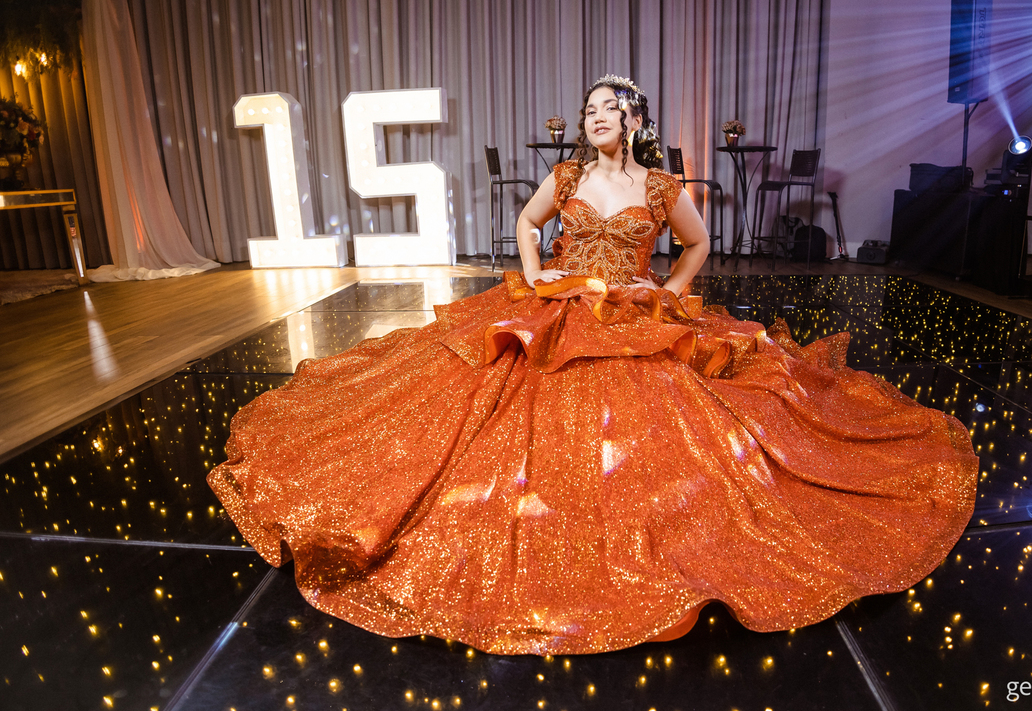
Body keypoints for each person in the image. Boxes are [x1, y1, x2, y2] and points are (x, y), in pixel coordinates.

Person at [208, 75, 979, 656]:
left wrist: (669, 291)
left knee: (683, 430)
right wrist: (535, 271)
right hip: (560, 303)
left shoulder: (661, 185)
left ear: (634, 120)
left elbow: (699, 244)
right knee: (486, 409)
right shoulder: (569, 178)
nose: (595, 118)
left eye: (607, 109)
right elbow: (526, 221)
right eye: (589, 111)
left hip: (635, 312)